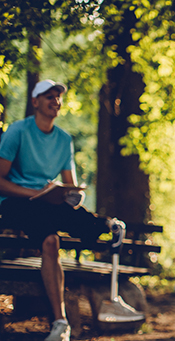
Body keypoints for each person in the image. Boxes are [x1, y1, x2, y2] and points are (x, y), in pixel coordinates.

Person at [0, 80, 133, 341]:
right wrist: (35, 194)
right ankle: (60, 320)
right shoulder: (17, 131)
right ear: (35, 101)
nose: (55, 101)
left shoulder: (63, 139)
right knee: (55, 235)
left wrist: (71, 194)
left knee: (63, 231)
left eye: (58, 97)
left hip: (47, 203)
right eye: (49, 96)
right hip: (16, 202)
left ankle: (106, 231)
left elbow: (70, 187)